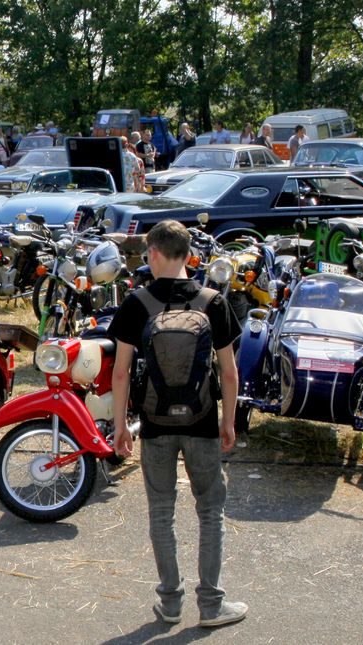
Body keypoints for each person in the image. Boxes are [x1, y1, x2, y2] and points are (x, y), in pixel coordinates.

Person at [109, 219, 244, 629]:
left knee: (161, 513)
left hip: (154, 421)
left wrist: (120, 425)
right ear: (190, 256)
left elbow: (119, 373)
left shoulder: (137, 302)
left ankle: (170, 602)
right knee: (210, 511)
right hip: (202, 418)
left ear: (152, 254)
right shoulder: (212, 301)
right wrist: (229, 421)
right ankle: (211, 606)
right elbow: (229, 372)